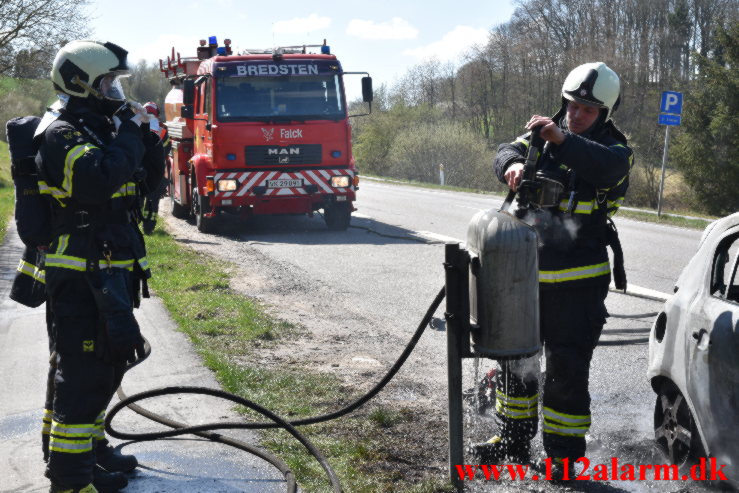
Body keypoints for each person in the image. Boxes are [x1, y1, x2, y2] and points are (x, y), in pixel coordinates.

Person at [469, 62, 632, 480]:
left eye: (587, 110)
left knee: (567, 372)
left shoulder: (614, 151)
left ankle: (562, 458)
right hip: (525, 277)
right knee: (515, 363)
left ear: (605, 115)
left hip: (578, 286)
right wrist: (511, 166)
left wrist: (559, 138)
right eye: (572, 105)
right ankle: (513, 442)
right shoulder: (542, 133)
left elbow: (605, 169)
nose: (576, 115)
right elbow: (506, 149)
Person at [37, 40, 164, 493]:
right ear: (81, 82)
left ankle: (87, 455)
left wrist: (149, 142)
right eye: (107, 82)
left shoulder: (101, 128)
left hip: (107, 269)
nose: (115, 90)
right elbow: (96, 181)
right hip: (81, 272)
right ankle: (71, 481)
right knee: (84, 371)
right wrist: (130, 133)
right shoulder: (62, 133)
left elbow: (144, 184)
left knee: (103, 365)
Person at [141, 101, 170, 234]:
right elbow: (166, 149)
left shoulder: (137, 126)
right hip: (156, 172)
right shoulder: (162, 129)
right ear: (157, 114)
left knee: (137, 198)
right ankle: (149, 227)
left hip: (139, 170)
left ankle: (134, 223)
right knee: (153, 201)